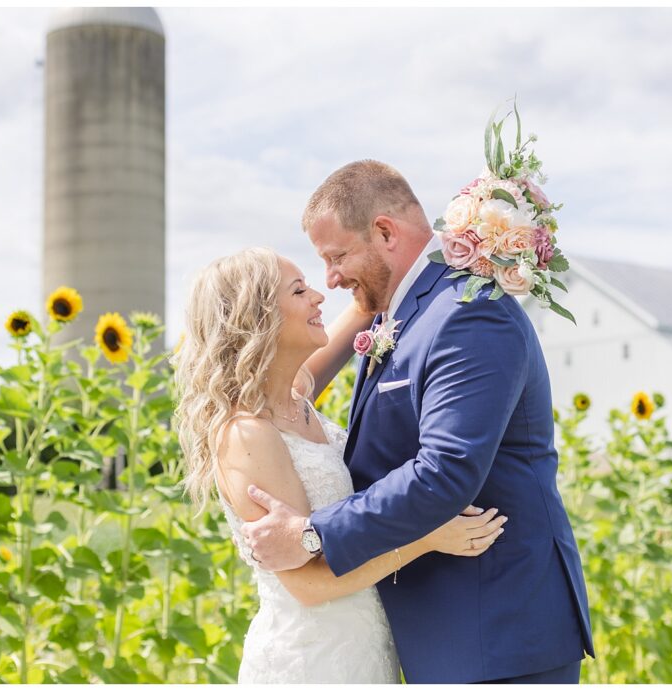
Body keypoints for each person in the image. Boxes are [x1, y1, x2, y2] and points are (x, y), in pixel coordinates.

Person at [240, 160, 595, 683]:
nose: (330, 280)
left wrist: (312, 534)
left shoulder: (469, 312)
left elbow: (445, 470)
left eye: (337, 257)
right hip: (439, 634)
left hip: (494, 630)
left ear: (385, 232)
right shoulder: (403, 314)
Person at [172, 247, 506, 683]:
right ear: (257, 317)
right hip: (311, 659)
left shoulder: (295, 397)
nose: (318, 296)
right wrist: (428, 538)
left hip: (363, 644)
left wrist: (464, 239)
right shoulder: (247, 435)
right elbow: (307, 585)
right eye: (299, 290)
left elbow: (363, 307)